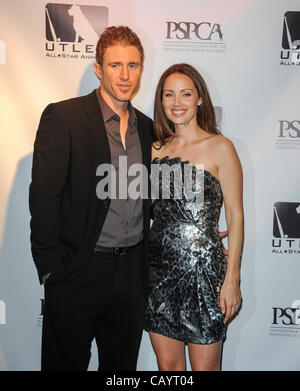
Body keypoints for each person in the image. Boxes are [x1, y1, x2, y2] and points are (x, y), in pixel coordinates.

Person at [29, 26, 153, 371]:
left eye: (133, 64)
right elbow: (43, 196)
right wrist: (52, 268)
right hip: (78, 271)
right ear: (99, 69)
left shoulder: (147, 127)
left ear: (142, 68)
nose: (126, 75)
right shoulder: (64, 117)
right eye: (115, 65)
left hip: (130, 274)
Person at [144, 64, 244, 371]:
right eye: (169, 95)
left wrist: (232, 279)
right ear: (161, 101)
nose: (177, 102)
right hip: (158, 275)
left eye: (186, 94)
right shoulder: (154, 150)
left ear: (200, 98)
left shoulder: (221, 147)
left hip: (205, 277)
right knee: (169, 370)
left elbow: (235, 216)